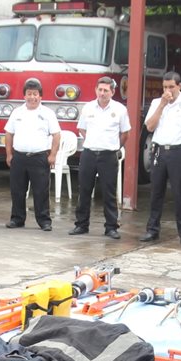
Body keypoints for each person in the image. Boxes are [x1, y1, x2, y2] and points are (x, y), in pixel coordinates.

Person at [70, 76, 129, 239]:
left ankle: (111, 227)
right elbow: (82, 129)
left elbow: (125, 133)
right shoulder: (88, 108)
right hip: (89, 153)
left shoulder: (120, 110)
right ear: (96, 90)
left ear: (112, 92)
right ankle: (81, 224)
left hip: (108, 154)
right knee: (84, 190)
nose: (102, 93)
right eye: (100, 90)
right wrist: (93, 140)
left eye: (106, 90)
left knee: (109, 192)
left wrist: (115, 146)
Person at [143, 71, 181, 245]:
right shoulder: (157, 103)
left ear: (179, 86)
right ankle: (152, 230)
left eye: (171, 87)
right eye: (165, 87)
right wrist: (162, 105)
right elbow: (150, 127)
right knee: (156, 192)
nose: (168, 90)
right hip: (159, 150)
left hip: (178, 151)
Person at [4, 77, 60, 231]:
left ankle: (44, 221)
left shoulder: (48, 113)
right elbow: (9, 134)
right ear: (24, 96)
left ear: (40, 96)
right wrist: (9, 154)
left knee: (41, 190)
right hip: (19, 157)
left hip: (39, 157)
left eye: (35, 94)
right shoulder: (17, 112)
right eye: (29, 94)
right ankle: (17, 219)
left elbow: (56, 135)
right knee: (17, 190)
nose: (32, 97)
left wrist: (53, 155)